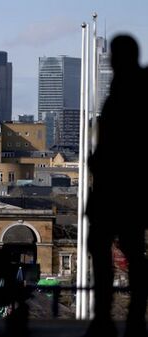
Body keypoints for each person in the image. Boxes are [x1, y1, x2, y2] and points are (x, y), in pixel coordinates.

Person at [85, 35, 148, 337]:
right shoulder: (131, 87)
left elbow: (117, 142)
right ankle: (131, 316)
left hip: (117, 190)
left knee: (104, 248)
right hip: (129, 190)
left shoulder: (127, 90)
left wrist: (97, 161)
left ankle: (108, 318)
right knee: (130, 250)